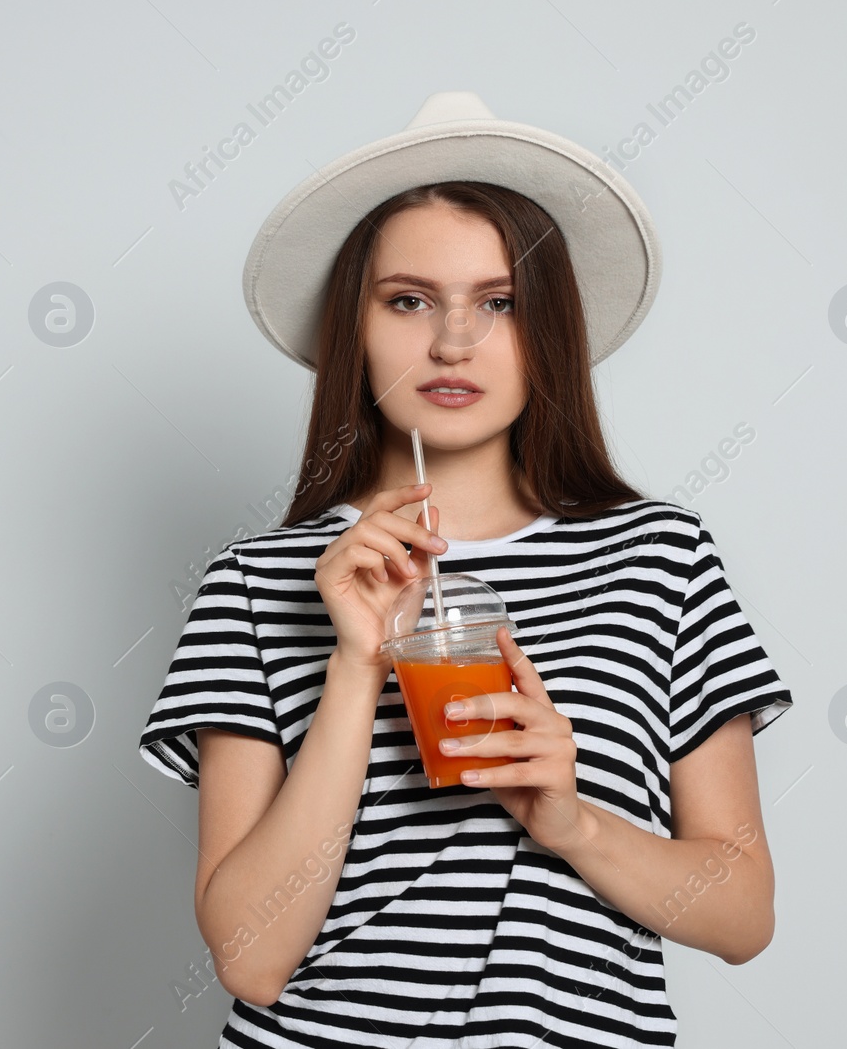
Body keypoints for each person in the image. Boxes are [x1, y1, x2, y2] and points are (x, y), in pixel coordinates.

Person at [138, 92, 793, 1048]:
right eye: (409, 300)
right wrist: (357, 666)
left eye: (500, 303)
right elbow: (251, 955)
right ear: (352, 331)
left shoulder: (662, 559)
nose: (453, 341)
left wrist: (572, 822)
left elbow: (742, 917)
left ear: (549, 333)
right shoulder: (258, 581)